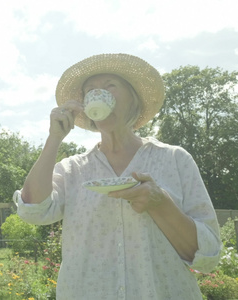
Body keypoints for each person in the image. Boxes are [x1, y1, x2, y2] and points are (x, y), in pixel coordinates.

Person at [13, 53, 222, 299]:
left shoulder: (175, 159)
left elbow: (208, 257)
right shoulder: (72, 169)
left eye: (110, 86)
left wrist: (161, 204)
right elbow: (33, 211)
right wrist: (54, 138)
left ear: (133, 99)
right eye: (90, 90)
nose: (99, 93)